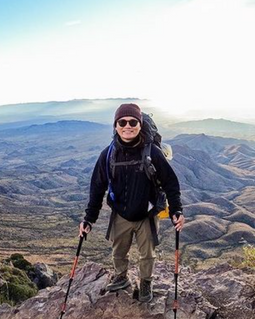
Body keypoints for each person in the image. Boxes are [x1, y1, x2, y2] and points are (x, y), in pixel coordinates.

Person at [79, 103, 185, 303]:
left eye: (133, 122)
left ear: (139, 124)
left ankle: (145, 282)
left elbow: (171, 182)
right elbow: (97, 187)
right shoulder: (108, 154)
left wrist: (176, 210)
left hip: (147, 214)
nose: (128, 126)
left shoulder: (152, 152)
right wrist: (88, 219)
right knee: (118, 250)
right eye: (122, 122)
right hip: (120, 213)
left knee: (147, 254)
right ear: (116, 125)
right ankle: (121, 276)